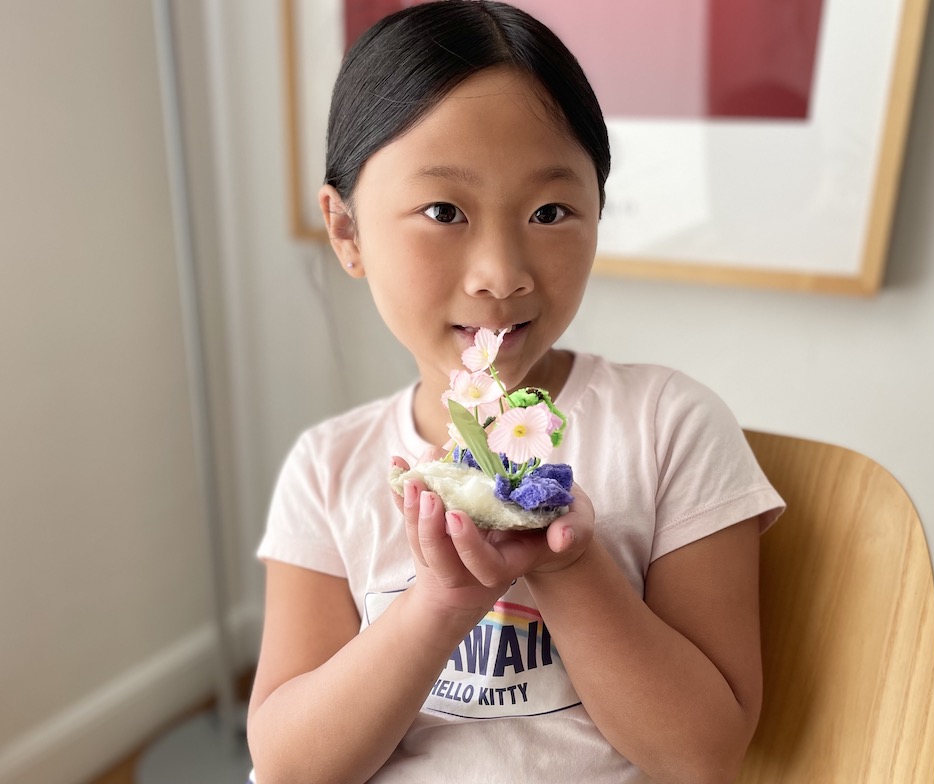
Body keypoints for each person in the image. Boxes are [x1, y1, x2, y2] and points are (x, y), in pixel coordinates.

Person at [246, 2, 784, 782]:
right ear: (347, 231)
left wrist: (567, 568)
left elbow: (702, 754)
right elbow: (292, 764)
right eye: (443, 211)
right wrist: (438, 605)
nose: (502, 272)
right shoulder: (328, 468)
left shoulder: (671, 426)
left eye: (549, 211)